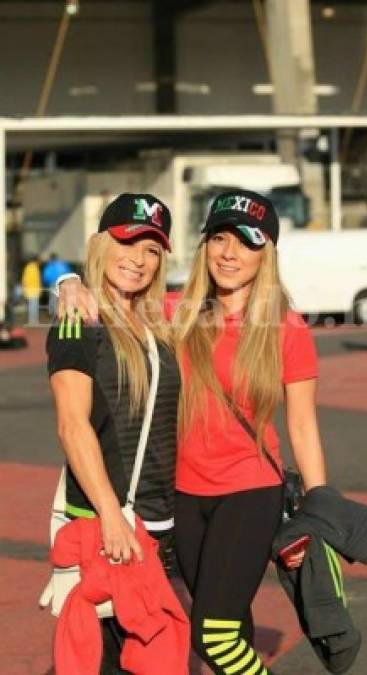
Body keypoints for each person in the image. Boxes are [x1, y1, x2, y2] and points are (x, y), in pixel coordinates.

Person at [56, 189, 327, 675]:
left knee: (214, 634)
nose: (230, 253)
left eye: (247, 242)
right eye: (219, 238)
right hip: (184, 497)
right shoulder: (178, 311)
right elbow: (117, 291)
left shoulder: (285, 326)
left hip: (249, 491)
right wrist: (69, 282)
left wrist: (321, 506)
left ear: (266, 254)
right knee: (228, 625)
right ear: (204, 246)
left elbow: (303, 424)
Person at [47, 193, 183, 674]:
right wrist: (110, 515)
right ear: (102, 243)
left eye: (152, 250)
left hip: (163, 530)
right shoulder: (79, 323)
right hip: (114, 530)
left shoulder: (159, 322)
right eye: (128, 242)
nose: (140, 260)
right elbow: (71, 424)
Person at [21, 255, 41, 324]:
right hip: (34, 289)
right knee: (34, 306)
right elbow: (37, 280)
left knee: (32, 306)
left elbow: (24, 279)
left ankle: (32, 320)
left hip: (29, 290)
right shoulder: (34, 268)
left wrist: (24, 288)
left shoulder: (28, 267)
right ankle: (33, 321)